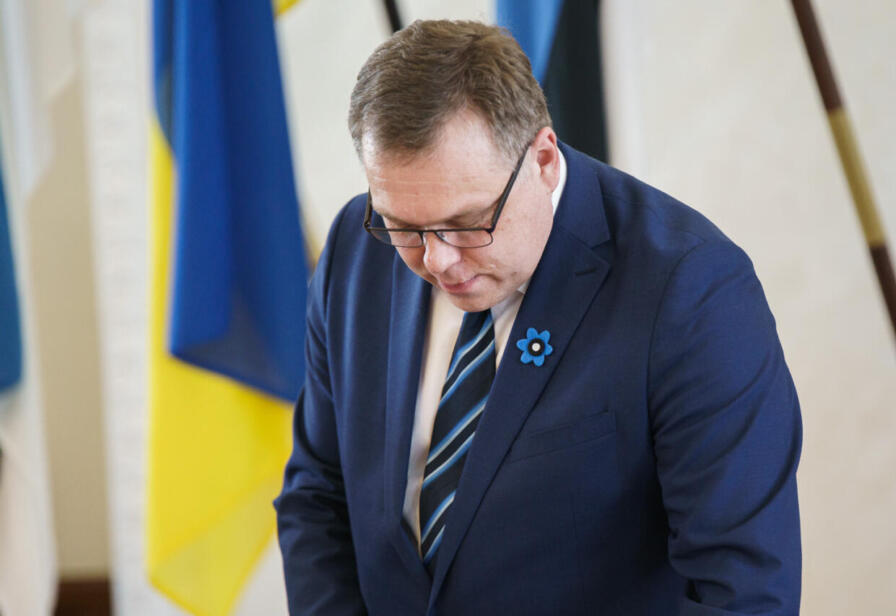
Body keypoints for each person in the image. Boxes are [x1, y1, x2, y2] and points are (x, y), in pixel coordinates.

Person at [275, 19, 802, 616]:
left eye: (467, 222)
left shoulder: (691, 291)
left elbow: (741, 595)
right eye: (403, 227)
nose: (437, 261)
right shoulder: (355, 247)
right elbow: (319, 494)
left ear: (544, 159)